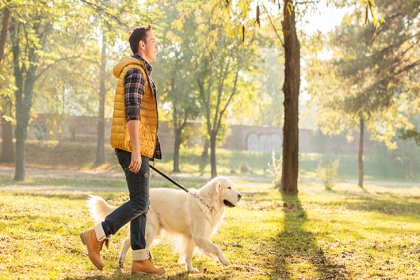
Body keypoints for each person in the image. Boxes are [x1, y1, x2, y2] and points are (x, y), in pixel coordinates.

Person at [80, 25, 165, 276]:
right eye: (153, 41)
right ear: (142, 45)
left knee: (143, 202)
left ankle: (140, 259)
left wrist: (145, 150)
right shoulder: (136, 72)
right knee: (140, 201)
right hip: (131, 147)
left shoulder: (139, 71)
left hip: (137, 147)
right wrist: (138, 151)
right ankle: (96, 234)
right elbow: (132, 112)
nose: (156, 45)